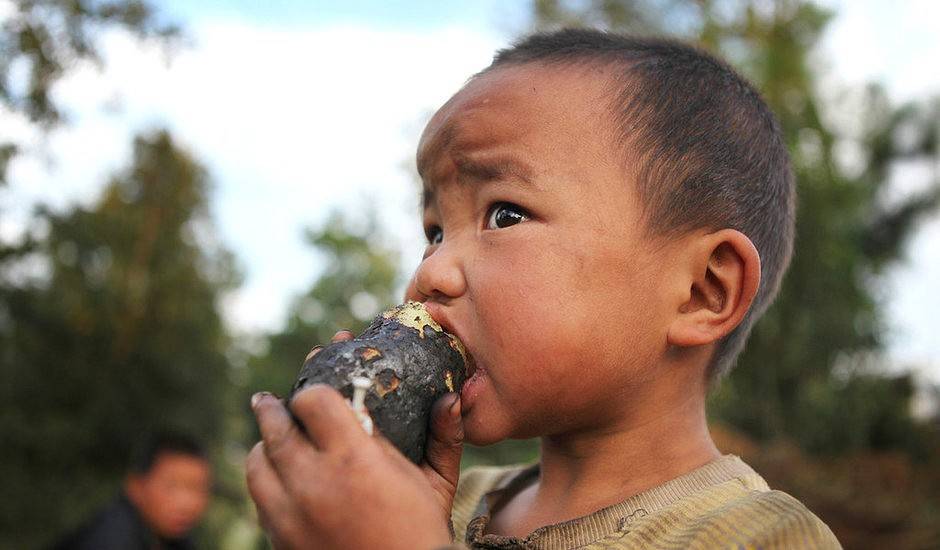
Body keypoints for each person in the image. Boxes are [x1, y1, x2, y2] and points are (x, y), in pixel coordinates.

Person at [245, 28, 842, 549]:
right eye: (433, 231)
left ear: (701, 291)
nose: (430, 273)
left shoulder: (756, 534)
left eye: (504, 215)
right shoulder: (437, 502)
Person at [52, 433, 212, 550]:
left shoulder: (173, 538)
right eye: (172, 486)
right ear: (135, 486)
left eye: (198, 488)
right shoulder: (110, 539)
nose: (187, 503)